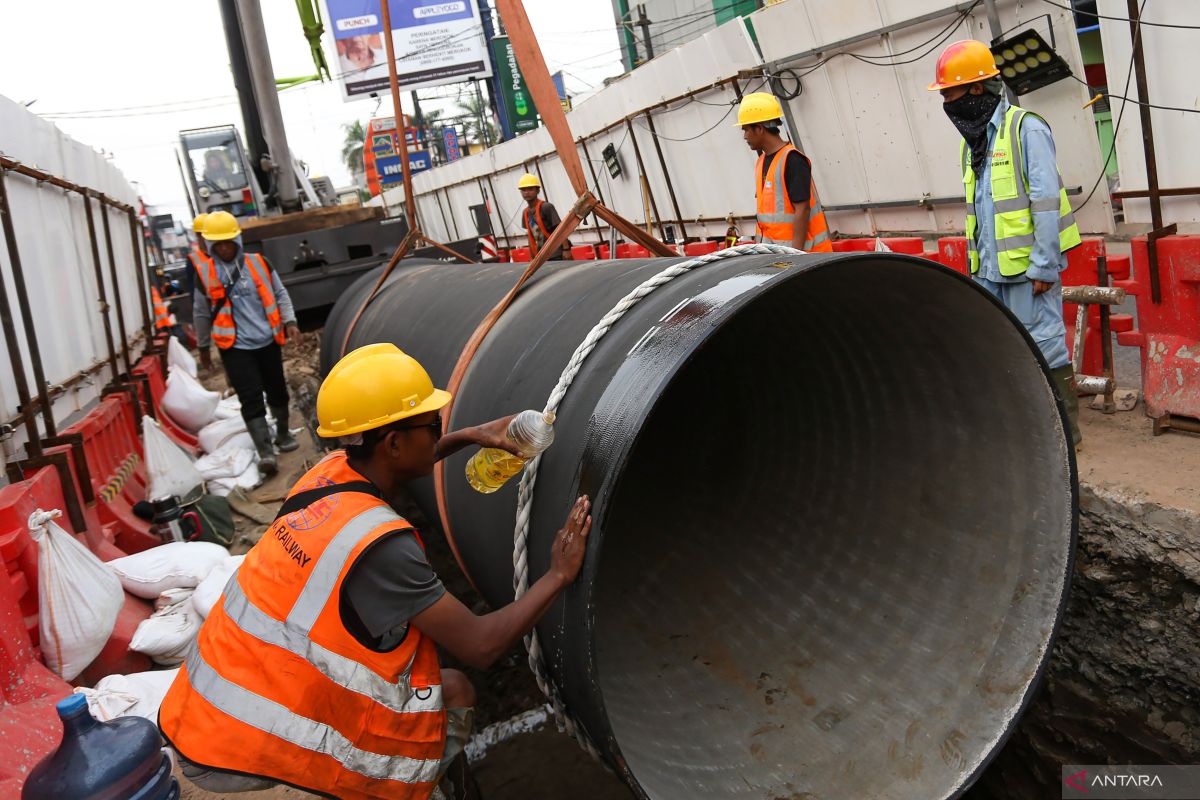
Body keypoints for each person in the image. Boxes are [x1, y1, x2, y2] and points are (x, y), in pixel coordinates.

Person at [158, 343, 593, 799]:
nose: (437, 431)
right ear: (393, 443)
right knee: (448, 699)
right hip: (261, 751)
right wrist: (558, 575)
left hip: (209, 714)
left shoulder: (326, 476)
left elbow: (397, 463)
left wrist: (467, 436)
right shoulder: (383, 548)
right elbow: (482, 645)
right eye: (432, 425)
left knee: (453, 688)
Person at [929, 40, 1083, 447]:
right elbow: (980, 214)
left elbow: (1046, 202)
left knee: (1045, 345)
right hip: (990, 272)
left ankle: (1066, 434)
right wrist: (976, 270)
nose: (947, 103)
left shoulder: (1025, 128)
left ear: (977, 90)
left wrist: (1044, 267)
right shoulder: (973, 143)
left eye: (950, 93)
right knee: (1001, 346)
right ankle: (1027, 427)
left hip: (1027, 270)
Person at [192, 210, 301, 474]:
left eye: (228, 242)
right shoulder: (204, 273)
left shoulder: (259, 263)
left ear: (237, 241)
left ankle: (284, 435)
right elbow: (200, 312)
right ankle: (266, 453)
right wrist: (204, 347)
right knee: (250, 397)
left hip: (267, 340)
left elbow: (279, 292)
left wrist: (290, 321)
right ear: (211, 246)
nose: (225, 248)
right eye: (218, 244)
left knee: (277, 390)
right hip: (235, 347)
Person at [736, 92, 832, 253]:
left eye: (746, 129)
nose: (745, 136)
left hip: (804, 258)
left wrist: (795, 256)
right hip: (776, 254)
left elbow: (802, 209)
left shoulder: (792, 160)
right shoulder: (762, 161)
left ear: (759, 129)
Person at [518, 173, 568, 260]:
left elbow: (560, 228)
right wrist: (532, 257)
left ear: (538, 191)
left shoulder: (546, 207)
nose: (527, 192)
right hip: (540, 256)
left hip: (555, 254)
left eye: (530, 189)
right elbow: (531, 237)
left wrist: (566, 249)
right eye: (523, 190)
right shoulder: (525, 213)